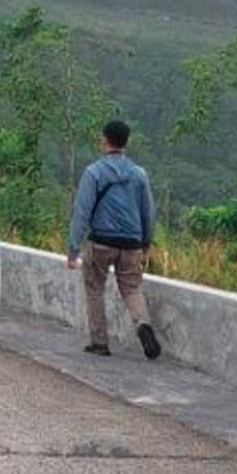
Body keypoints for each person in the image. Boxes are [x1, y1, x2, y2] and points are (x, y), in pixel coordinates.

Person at [66, 120, 161, 360]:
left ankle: (99, 342)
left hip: (101, 242)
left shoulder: (94, 172)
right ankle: (143, 324)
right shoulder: (139, 174)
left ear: (104, 140)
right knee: (132, 289)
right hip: (131, 244)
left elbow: (82, 212)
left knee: (95, 288)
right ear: (126, 142)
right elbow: (147, 211)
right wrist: (146, 242)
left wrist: (73, 250)